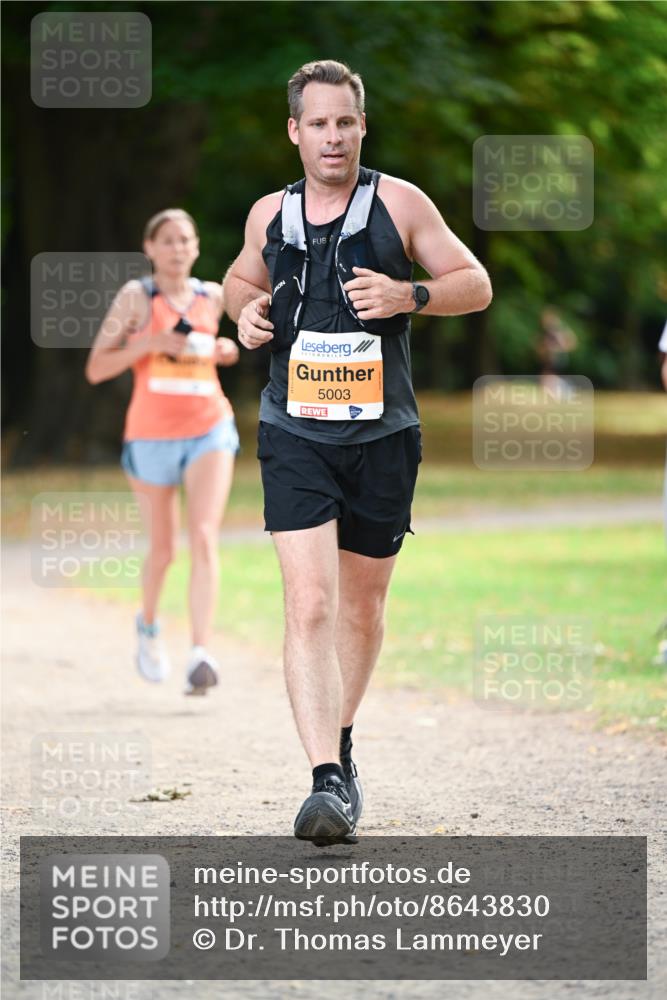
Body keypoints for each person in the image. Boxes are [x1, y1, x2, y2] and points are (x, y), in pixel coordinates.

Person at [223, 60, 492, 844]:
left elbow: (472, 282)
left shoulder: (400, 202)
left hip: (382, 438)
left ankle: (340, 745)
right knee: (309, 602)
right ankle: (323, 780)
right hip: (293, 430)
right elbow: (239, 280)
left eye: (345, 122)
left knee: (361, 607)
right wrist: (246, 313)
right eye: (318, 123)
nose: (332, 136)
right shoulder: (270, 214)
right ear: (294, 132)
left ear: (360, 126)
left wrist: (411, 294)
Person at [86, 208, 240, 694]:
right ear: (150, 248)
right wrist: (149, 342)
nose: (177, 249)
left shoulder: (211, 297)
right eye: (167, 241)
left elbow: (223, 348)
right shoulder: (137, 297)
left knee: (203, 534)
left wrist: (226, 351)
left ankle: (200, 651)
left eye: (185, 240)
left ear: (196, 248)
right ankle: (149, 626)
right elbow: (97, 368)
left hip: (209, 428)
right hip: (151, 435)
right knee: (164, 548)